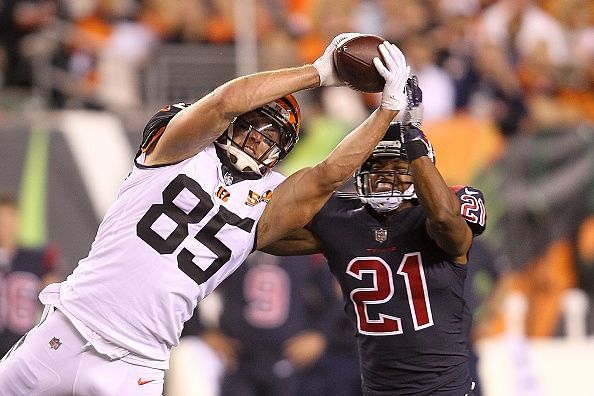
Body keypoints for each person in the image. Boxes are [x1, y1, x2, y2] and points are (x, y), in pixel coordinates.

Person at [0, 33, 410, 395]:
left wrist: (386, 109)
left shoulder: (269, 196)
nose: (256, 139)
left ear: (282, 150)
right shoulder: (181, 152)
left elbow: (326, 176)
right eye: (252, 124)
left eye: (271, 136)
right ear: (232, 124)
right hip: (69, 328)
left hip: (138, 363)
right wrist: (319, 72)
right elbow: (226, 101)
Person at [264, 77, 487, 395]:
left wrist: (412, 137)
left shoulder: (446, 209)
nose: (385, 178)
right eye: (377, 169)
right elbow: (264, 236)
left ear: (422, 169)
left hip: (444, 389)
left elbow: (445, 221)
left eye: (398, 167)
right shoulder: (342, 220)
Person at [179, 251, 340, 396]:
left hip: (289, 358)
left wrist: (320, 335)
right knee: (188, 355)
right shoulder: (234, 243)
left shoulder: (303, 248)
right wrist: (202, 331)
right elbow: (189, 283)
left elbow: (334, 298)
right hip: (237, 359)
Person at [0, 191, 60, 357]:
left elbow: (53, 302)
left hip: (21, 347)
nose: (5, 224)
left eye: (9, 218)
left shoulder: (36, 258)